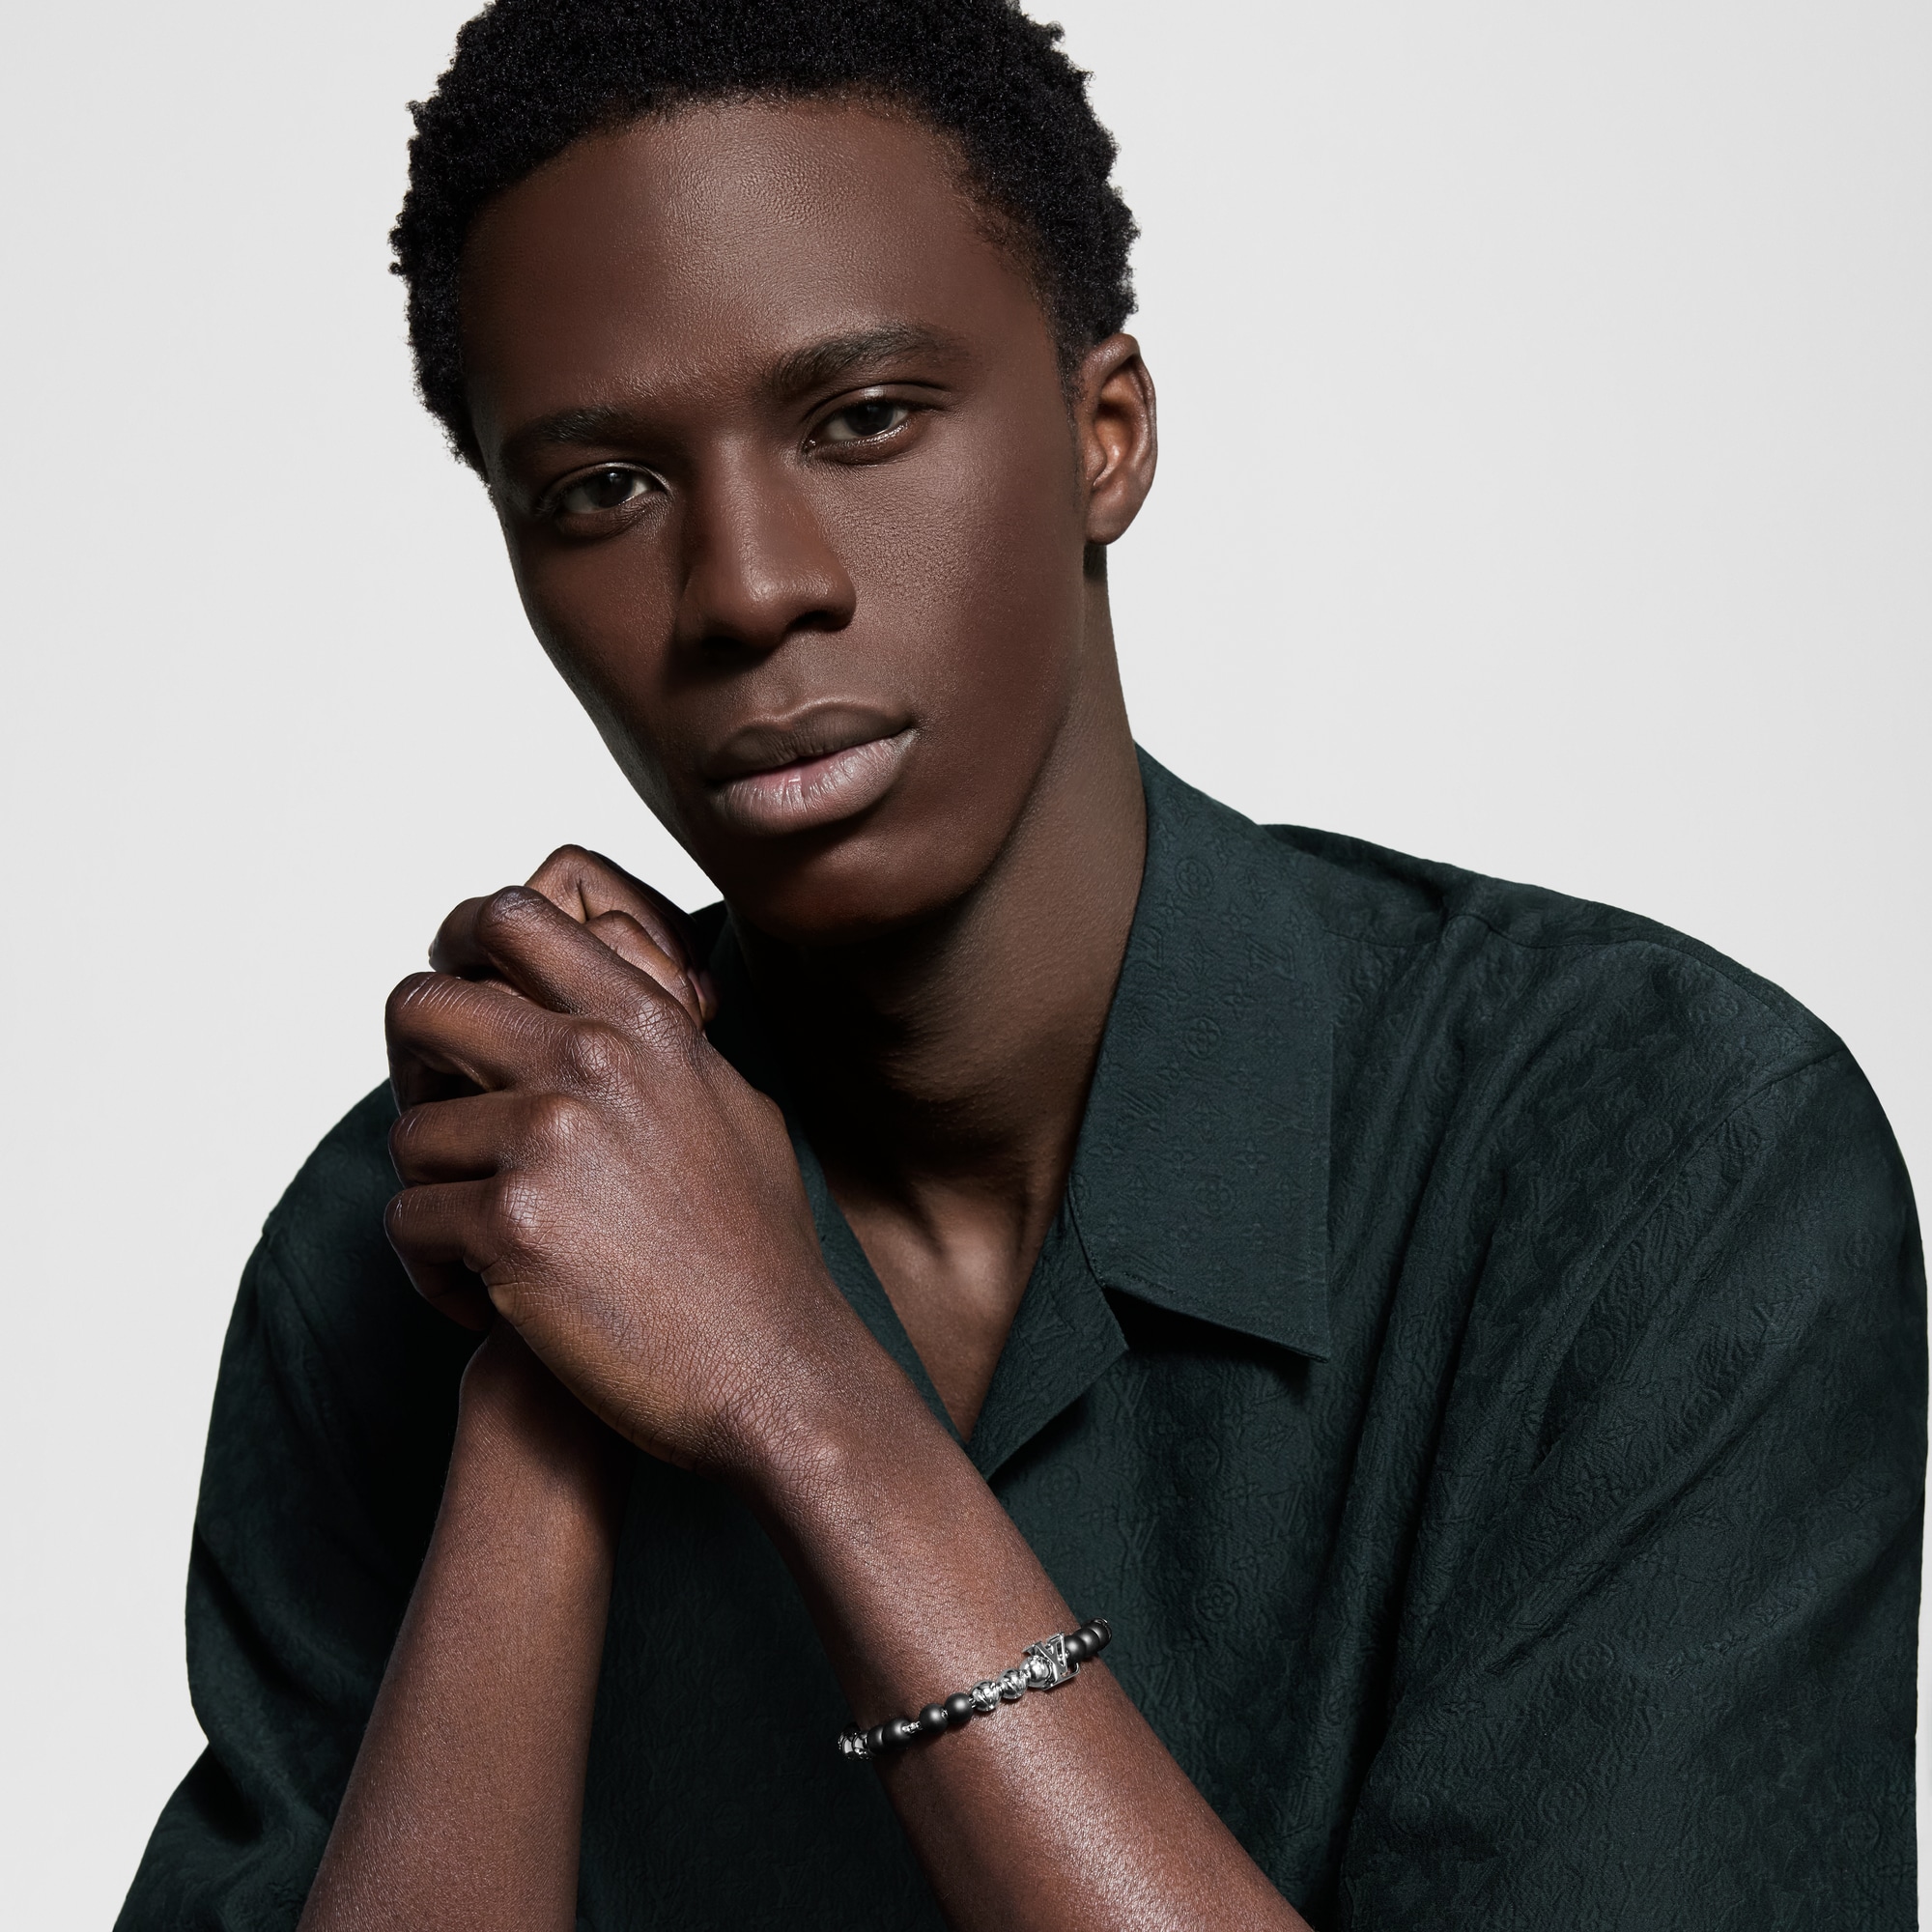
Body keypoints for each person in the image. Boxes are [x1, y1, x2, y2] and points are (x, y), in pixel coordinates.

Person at [117, 2, 1923, 1927]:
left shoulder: (1649, 1168)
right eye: (602, 491)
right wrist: (533, 1415)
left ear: (1103, 433)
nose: (749, 587)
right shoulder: (403, 1245)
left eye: (863, 419)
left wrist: (795, 1389)